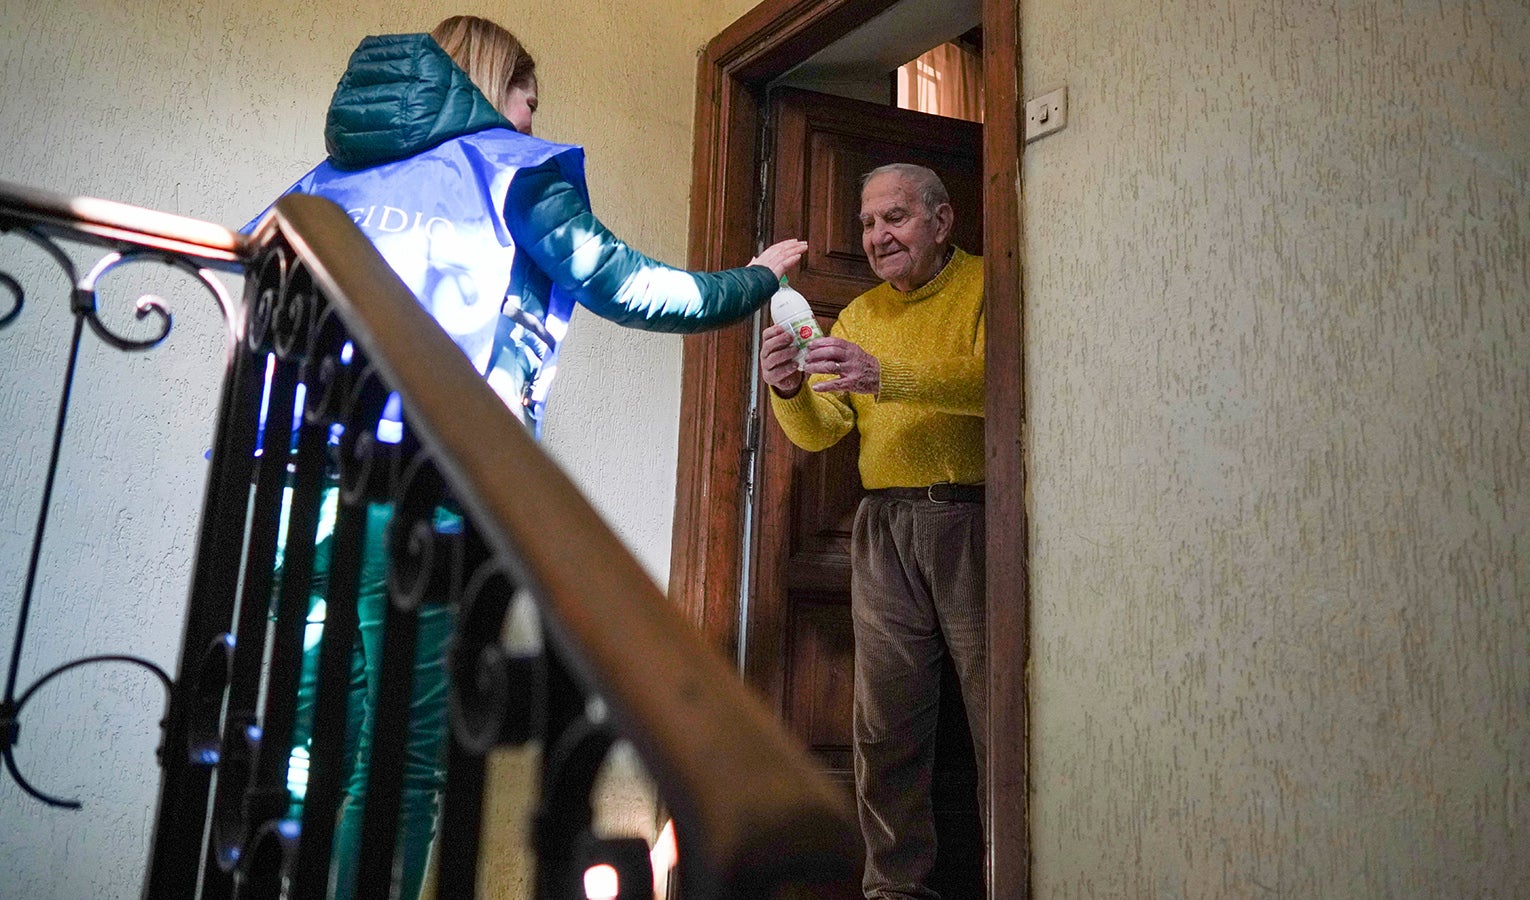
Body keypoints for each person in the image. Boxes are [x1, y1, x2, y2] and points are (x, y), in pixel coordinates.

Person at [255, 15, 806, 900]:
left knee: (313, 744)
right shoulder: (510, 168)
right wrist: (758, 279)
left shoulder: (325, 183)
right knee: (400, 760)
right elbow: (629, 283)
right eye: (524, 96)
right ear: (484, 84)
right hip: (422, 493)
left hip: (300, 486)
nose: (529, 117)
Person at [758, 163, 984, 900]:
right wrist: (788, 388)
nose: (877, 237)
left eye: (894, 218)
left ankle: (1011, 875)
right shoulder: (858, 315)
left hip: (972, 520)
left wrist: (886, 375)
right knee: (887, 729)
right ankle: (893, 890)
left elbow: (1001, 380)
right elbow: (826, 432)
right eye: (866, 223)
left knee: (998, 717)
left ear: (941, 220)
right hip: (883, 525)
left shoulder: (992, 286)